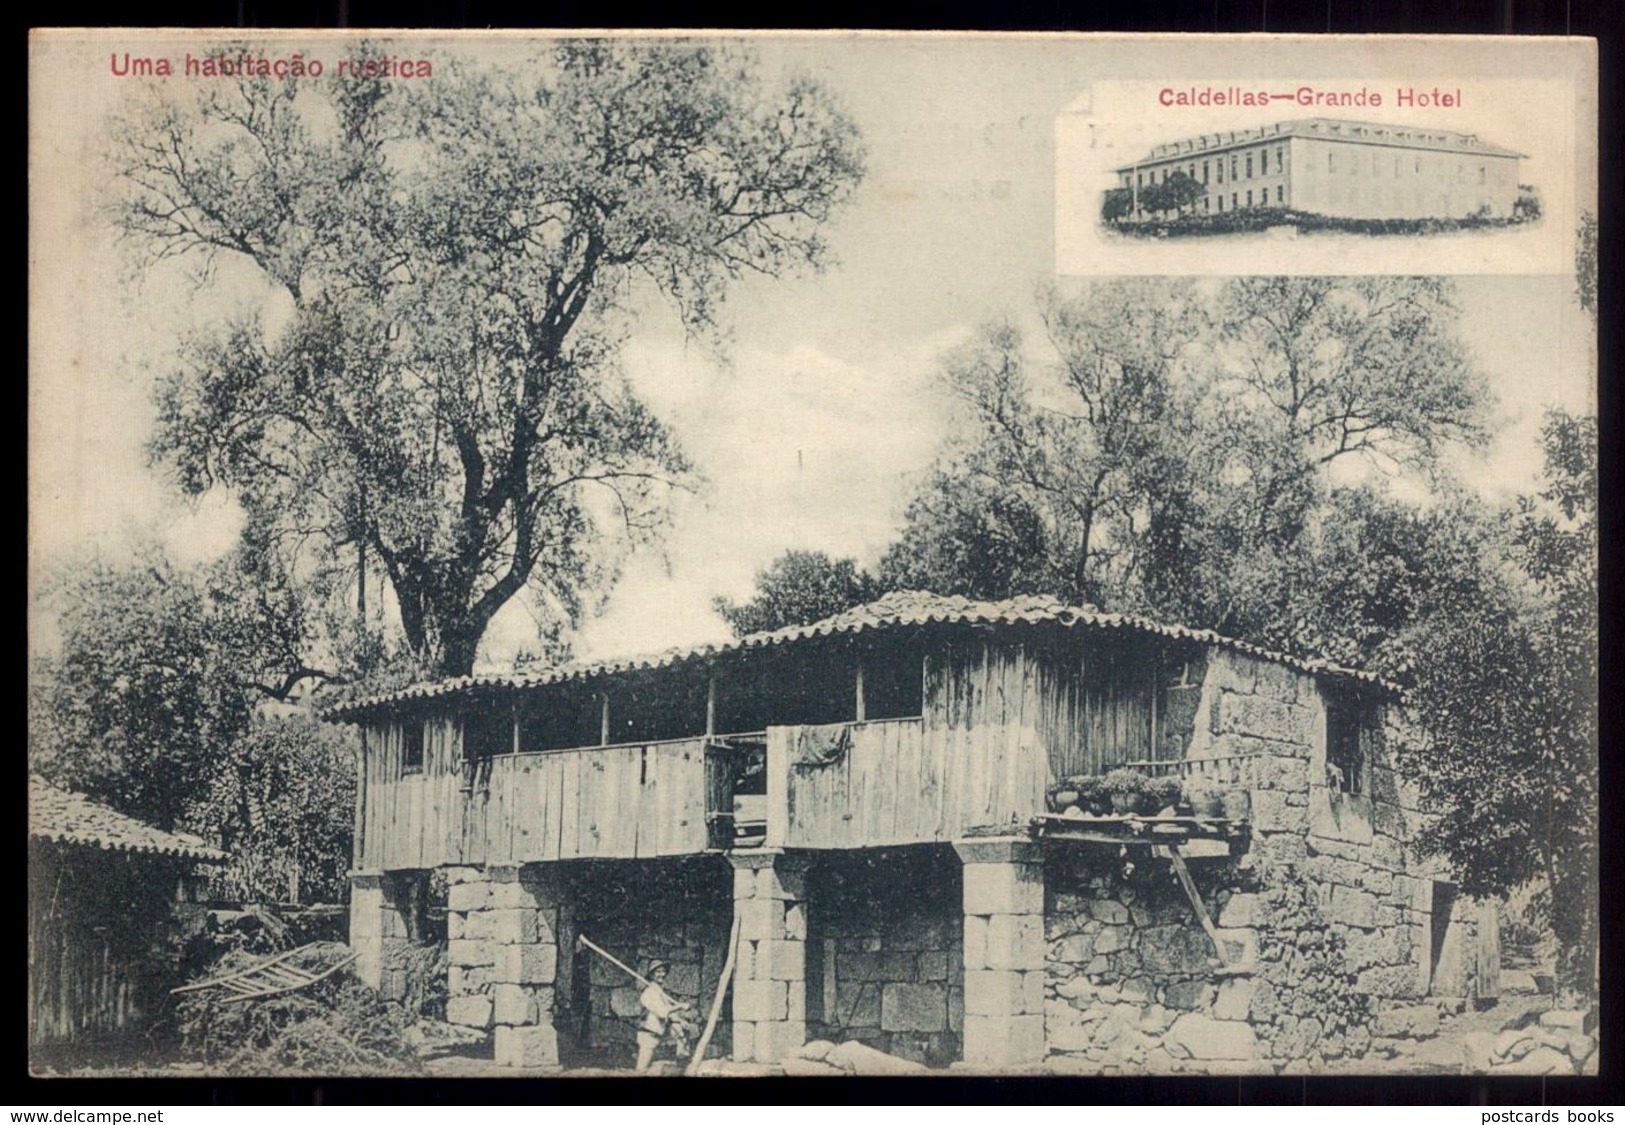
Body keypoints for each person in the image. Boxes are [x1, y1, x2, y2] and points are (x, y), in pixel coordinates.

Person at [634, 960, 693, 1073]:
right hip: (648, 1034)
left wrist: (680, 1020)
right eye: (658, 972)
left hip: (660, 1031)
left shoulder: (660, 992)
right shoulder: (649, 993)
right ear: (651, 975)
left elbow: (670, 1014)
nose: (662, 974)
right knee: (641, 1070)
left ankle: (682, 1059)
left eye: (663, 971)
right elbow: (662, 1012)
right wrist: (680, 1006)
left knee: (681, 1030)